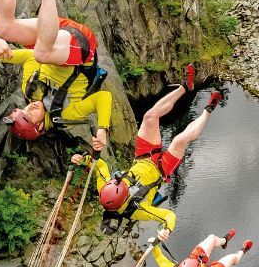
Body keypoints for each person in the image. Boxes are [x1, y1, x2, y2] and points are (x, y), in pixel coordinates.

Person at [0, 0, 112, 149]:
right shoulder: (66, 114)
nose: (29, 108)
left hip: (55, 31)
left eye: (23, 110)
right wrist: (102, 129)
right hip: (81, 48)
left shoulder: (30, 89)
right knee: (41, 52)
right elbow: (103, 97)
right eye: (29, 116)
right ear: (40, 125)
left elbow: (28, 57)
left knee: (4, 29)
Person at [77, 84, 225, 229]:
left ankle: (185, 87)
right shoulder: (139, 211)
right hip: (162, 170)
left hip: (143, 157)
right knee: (181, 140)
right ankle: (208, 109)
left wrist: (81, 160)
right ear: (124, 199)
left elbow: (100, 165)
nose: (123, 183)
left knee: (150, 116)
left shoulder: (105, 187)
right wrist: (167, 229)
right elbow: (168, 216)